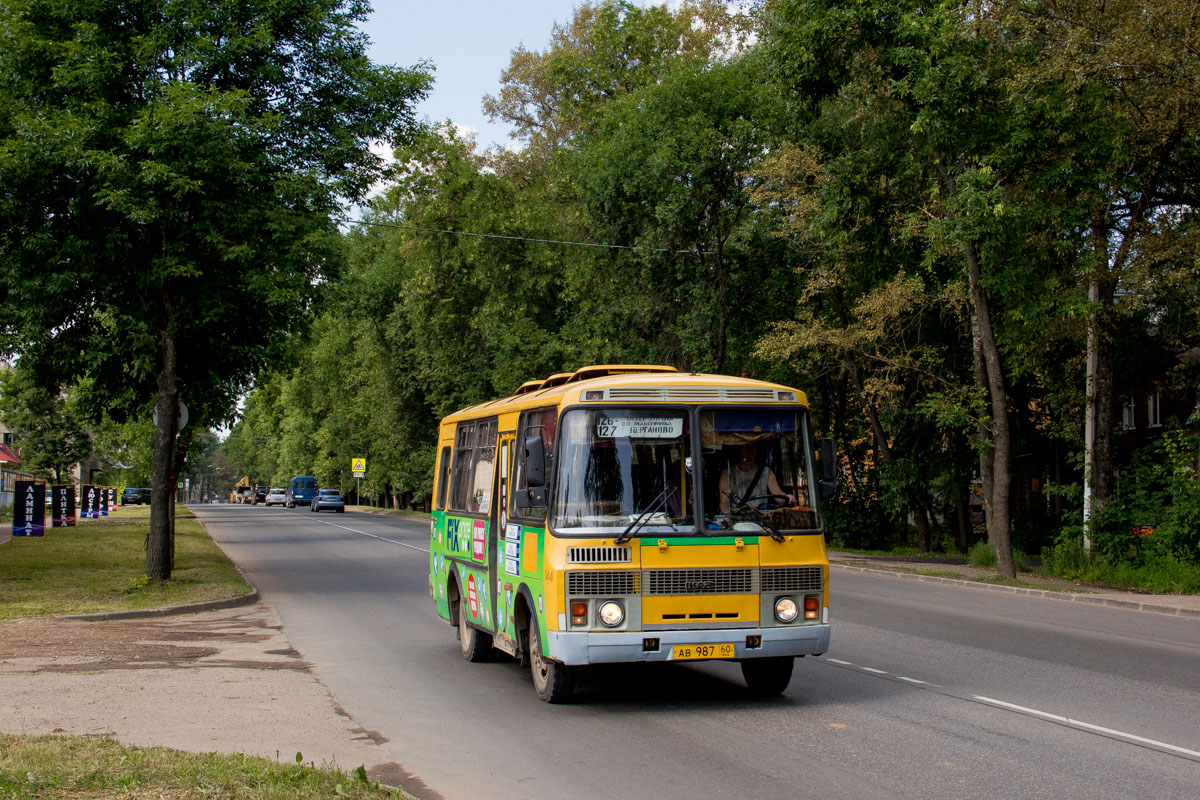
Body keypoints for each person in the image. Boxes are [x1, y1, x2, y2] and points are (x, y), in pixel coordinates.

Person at [718, 441, 793, 513]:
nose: (749, 452)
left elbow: (777, 494)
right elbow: (724, 502)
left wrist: (787, 497)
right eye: (746, 448)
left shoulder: (766, 472)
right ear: (740, 450)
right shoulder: (727, 474)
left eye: (753, 448)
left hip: (761, 517)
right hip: (739, 518)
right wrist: (728, 516)